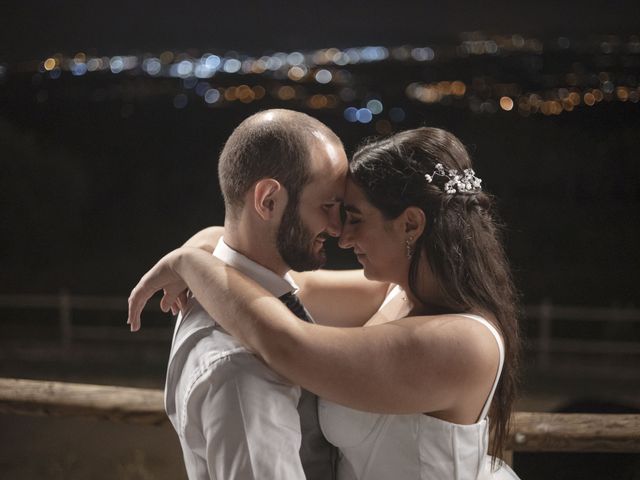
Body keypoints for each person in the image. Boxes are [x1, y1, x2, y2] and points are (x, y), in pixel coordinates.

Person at [129, 127, 521, 479]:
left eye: (355, 219)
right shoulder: (396, 294)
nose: (342, 237)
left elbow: (286, 342)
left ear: (411, 224)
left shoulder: (464, 344)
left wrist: (189, 263)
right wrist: (210, 241)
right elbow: (285, 282)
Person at [156, 108, 373, 479]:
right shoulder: (242, 373)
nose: (337, 229)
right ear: (268, 200)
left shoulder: (221, 288)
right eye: (327, 207)